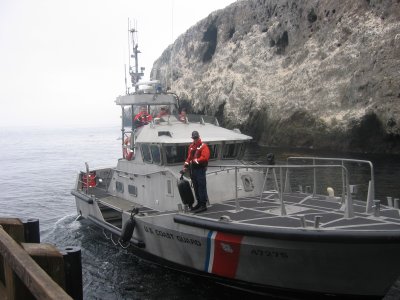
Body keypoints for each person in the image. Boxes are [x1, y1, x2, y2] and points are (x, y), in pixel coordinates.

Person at [181, 131, 210, 213]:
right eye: (194, 138)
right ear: (192, 138)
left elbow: (205, 158)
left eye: (196, 138)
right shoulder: (191, 146)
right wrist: (185, 167)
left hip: (200, 170)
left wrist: (195, 161)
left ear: (198, 137)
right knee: (196, 188)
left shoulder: (204, 146)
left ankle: (203, 205)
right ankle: (199, 203)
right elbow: (188, 158)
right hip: (193, 170)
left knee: (201, 187)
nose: (195, 139)